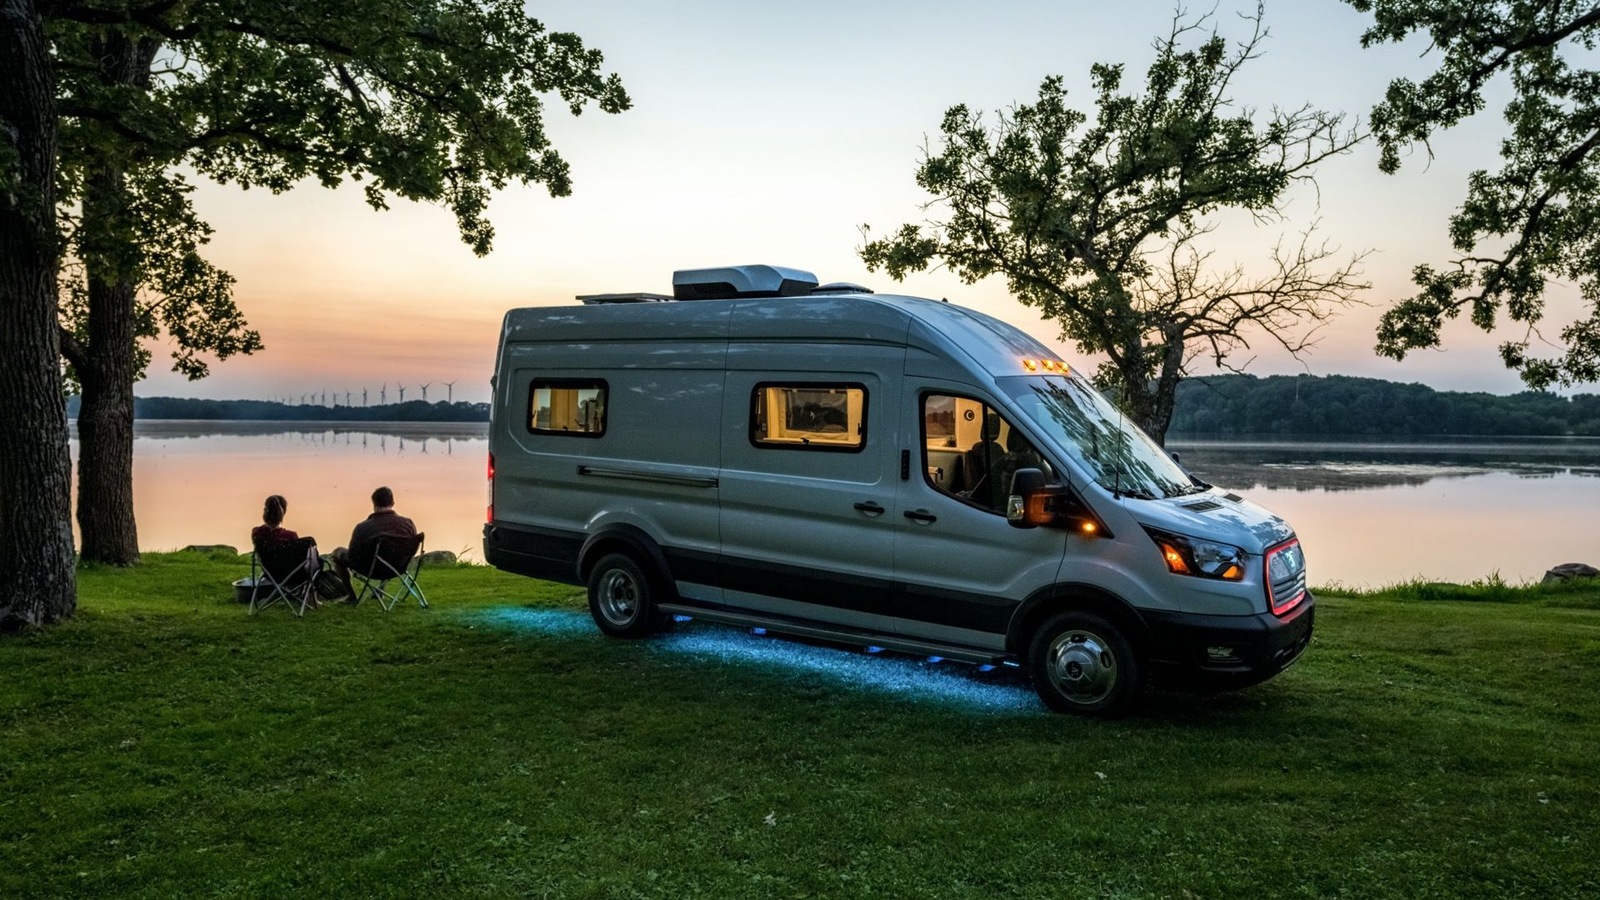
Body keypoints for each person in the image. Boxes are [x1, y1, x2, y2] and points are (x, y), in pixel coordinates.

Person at [329, 486, 418, 603]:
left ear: (374, 503)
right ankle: (380, 591)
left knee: (338, 552)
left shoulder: (363, 527)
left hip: (369, 569)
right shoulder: (408, 524)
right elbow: (410, 550)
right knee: (388, 554)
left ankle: (351, 595)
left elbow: (353, 556)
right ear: (392, 502)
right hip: (398, 567)